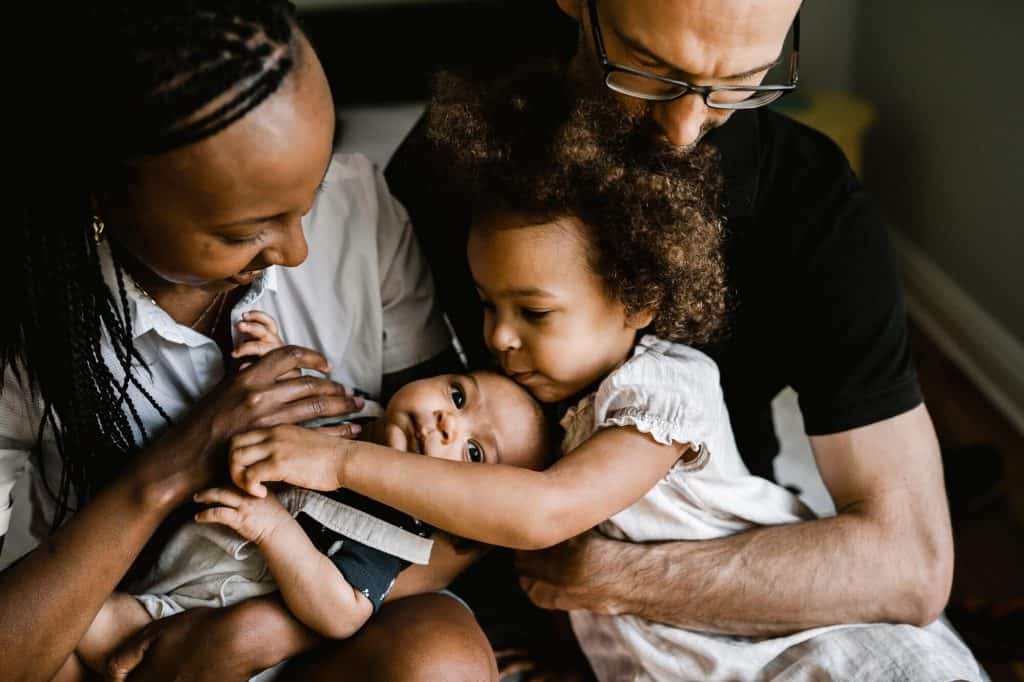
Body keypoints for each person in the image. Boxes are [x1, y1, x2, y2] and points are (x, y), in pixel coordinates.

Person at [230, 69, 982, 680]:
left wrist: (340, 460)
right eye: (489, 303)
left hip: (782, 643)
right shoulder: (532, 407)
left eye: (535, 312)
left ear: (638, 300)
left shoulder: (665, 389)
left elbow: (546, 513)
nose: (496, 335)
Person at [2, 3, 498, 680]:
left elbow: (467, 503)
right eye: (245, 232)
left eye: (309, 194)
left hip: (323, 622)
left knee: (441, 658)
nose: (297, 250)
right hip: (130, 645)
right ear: (103, 192)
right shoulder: (27, 317)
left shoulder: (355, 209)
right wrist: (178, 464)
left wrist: (255, 631)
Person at [63, 311, 549, 680]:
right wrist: (273, 361)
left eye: (473, 452)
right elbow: (300, 405)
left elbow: (342, 612)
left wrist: (275, 530)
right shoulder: (361, 411)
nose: (447, 421)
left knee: (92, 634)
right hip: (162, 564)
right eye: (458, 396)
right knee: (67, 623)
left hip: (198, 613)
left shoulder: (397, 531)